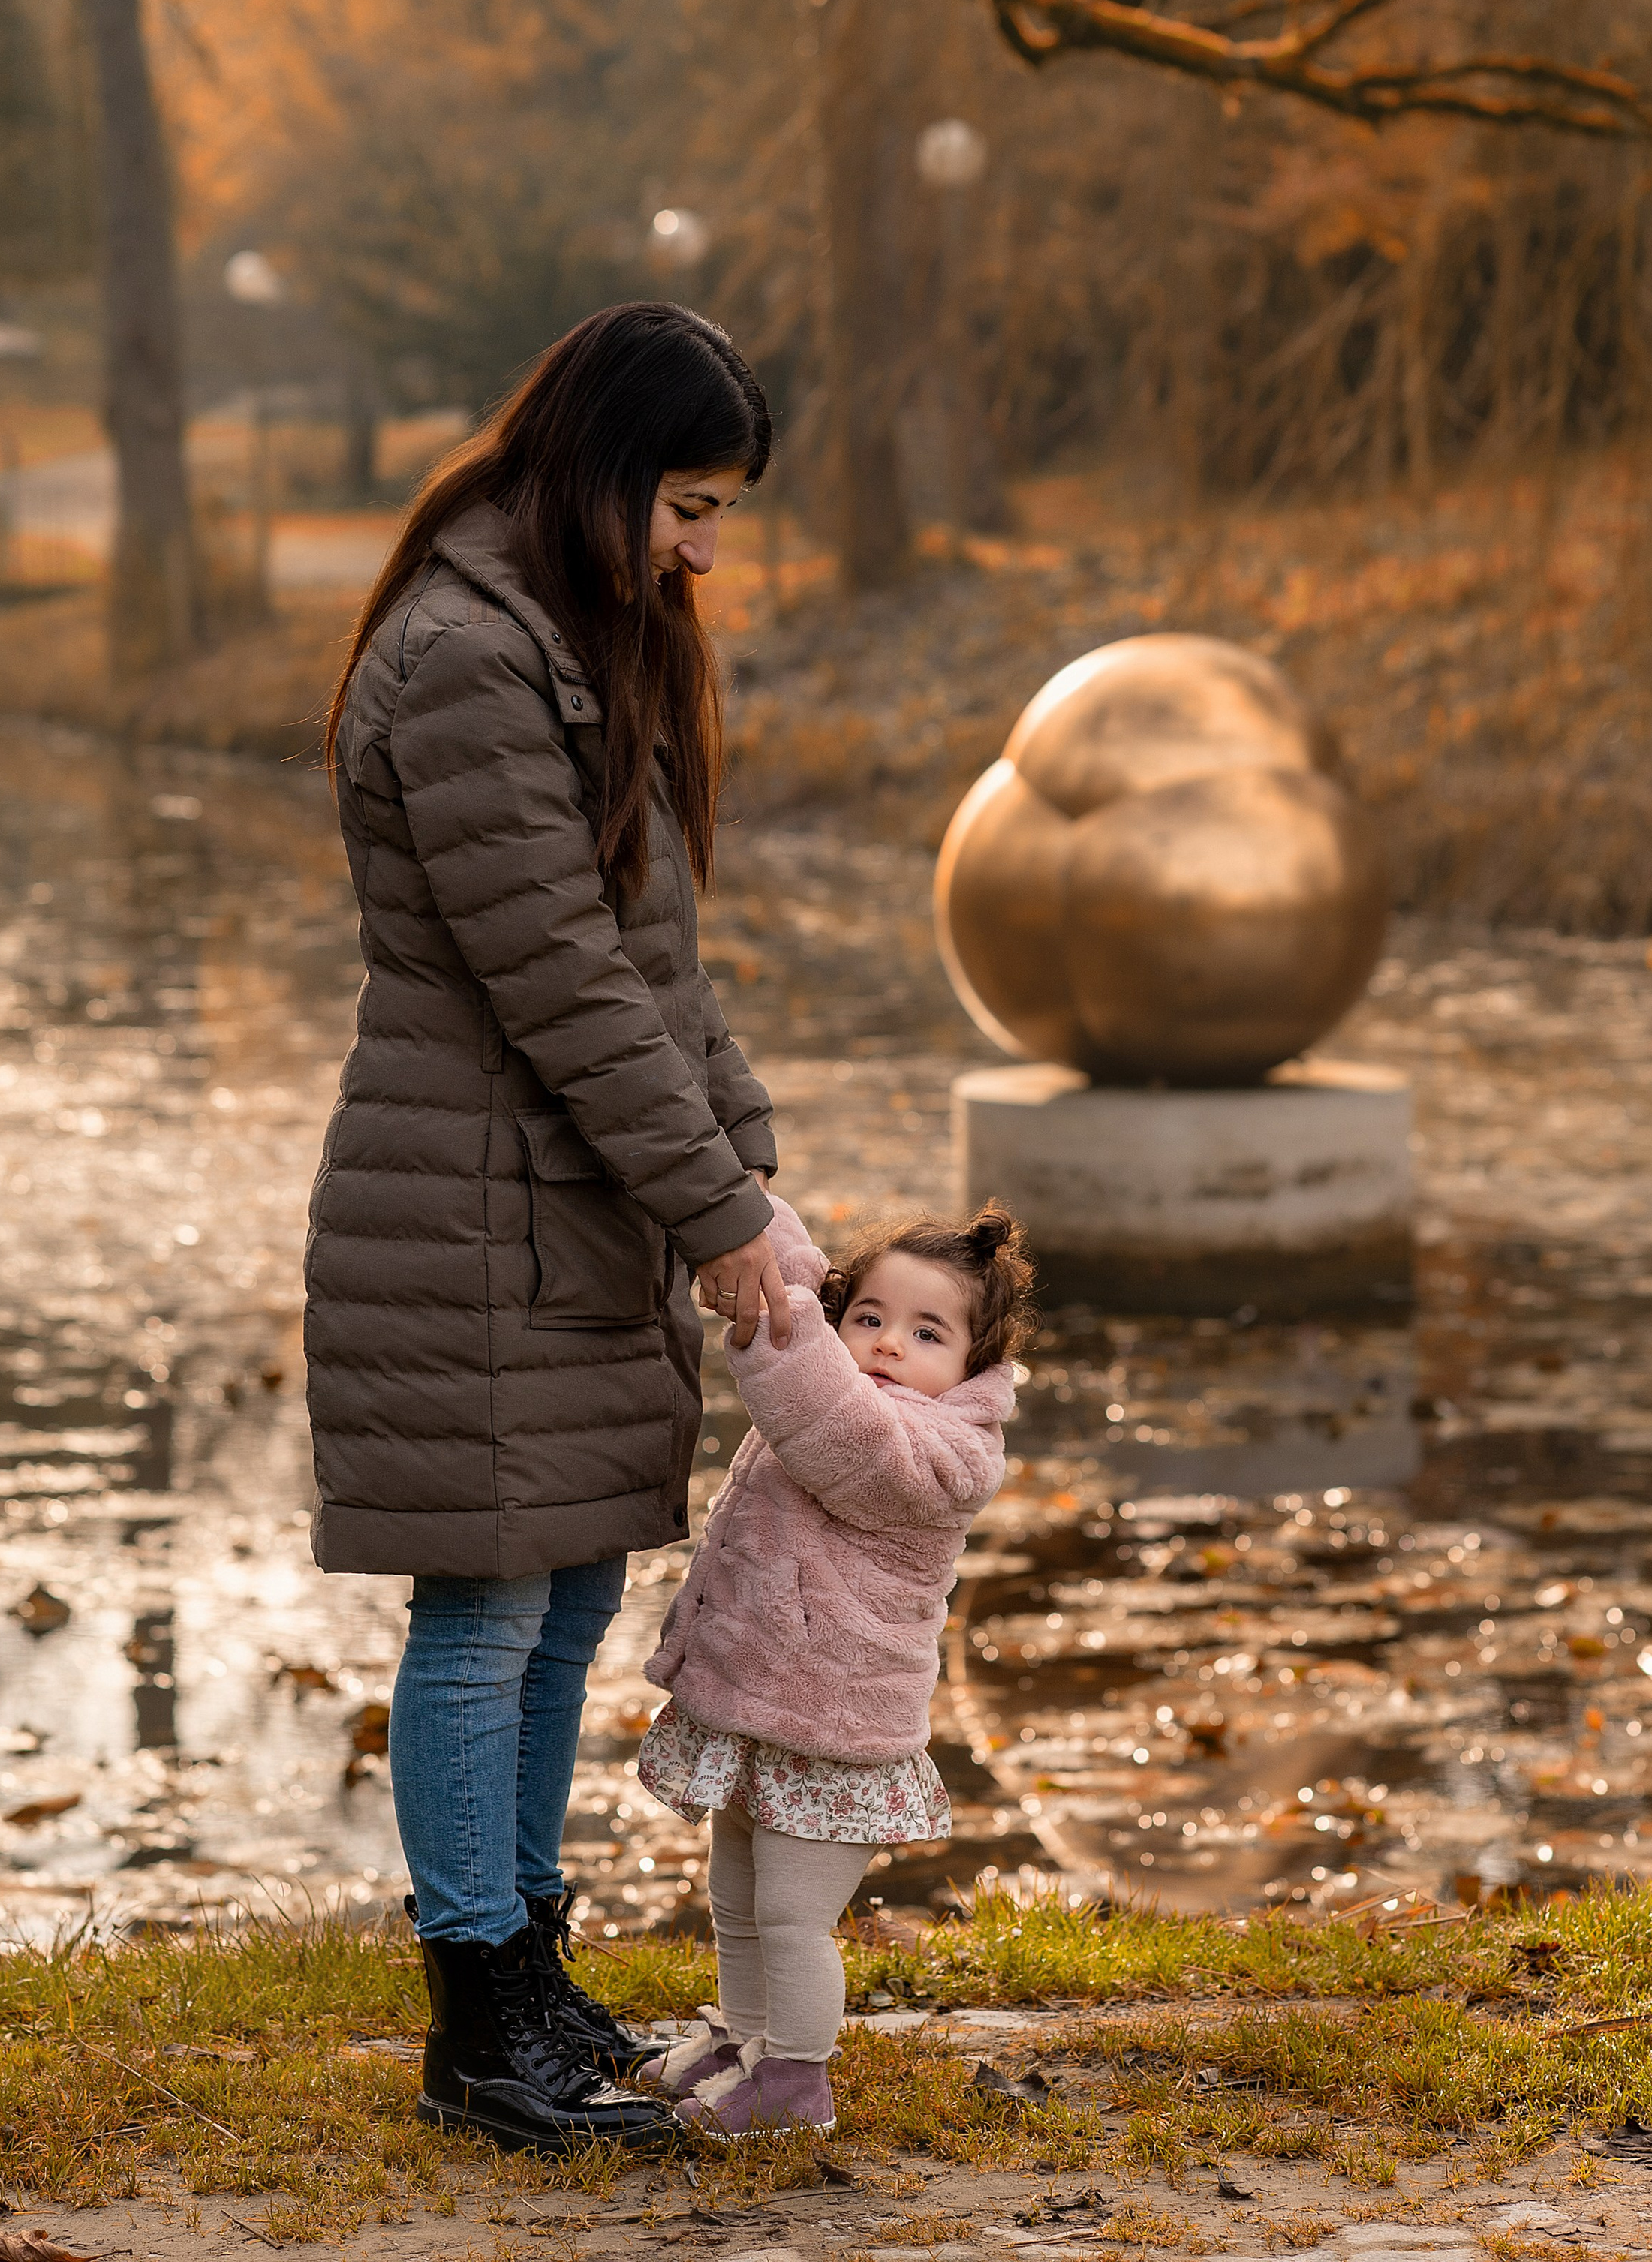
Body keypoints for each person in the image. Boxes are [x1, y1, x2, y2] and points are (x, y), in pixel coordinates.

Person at [305, 302, 792, 2158]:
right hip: (469, 1210)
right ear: (599, 470)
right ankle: (473, 2023)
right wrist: (716, 1208)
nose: (700, 547)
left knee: (567, 1588)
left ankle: (531, 1967)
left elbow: (661, 962)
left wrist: (750, 1173)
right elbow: (564, 980)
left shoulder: (572, 638)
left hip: (564, 1210)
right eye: (684, 501)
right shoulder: (459, 656)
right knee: (487, 1604)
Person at [636, 1196, 1032, 2137]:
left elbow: (818, 1402)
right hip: (764, 1704)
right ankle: (746, 2041)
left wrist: (780, 1314)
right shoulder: (851, 1394)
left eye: (926, 1331)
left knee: (792, 1919)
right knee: (733, 1900)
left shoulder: (936, 1452)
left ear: (974, 1365)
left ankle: (798, 2079)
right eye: (869, 1317)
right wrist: (746, 1209)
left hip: (836, 1726)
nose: (889, 1342)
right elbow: (809, 1330)